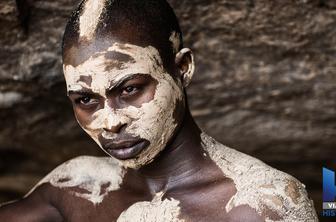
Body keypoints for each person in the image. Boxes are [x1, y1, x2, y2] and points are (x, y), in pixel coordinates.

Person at [0, 0, 318, 221]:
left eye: (129, 89)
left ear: (183, 68)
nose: (110, 122)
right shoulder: (76, 186)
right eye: (86, 99)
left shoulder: (263, 205)